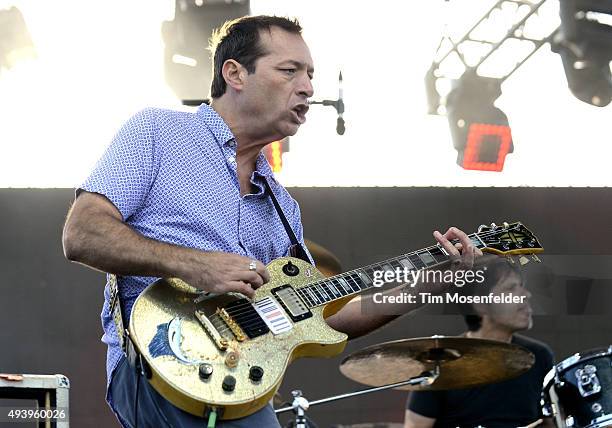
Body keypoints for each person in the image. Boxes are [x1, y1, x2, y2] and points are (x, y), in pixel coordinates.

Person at [62, 15, 480, 428]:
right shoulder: (158, 132)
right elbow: (82, 234)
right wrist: (194, 264)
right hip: (160, 367)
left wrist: (432, 284)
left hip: (241, 388)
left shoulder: (283, 209)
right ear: (235, 73)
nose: (309, 88)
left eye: (310, 75)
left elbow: (327, 319)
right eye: (290, 71)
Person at [404, 257, 555, 428]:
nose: (526, 295)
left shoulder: (540, 356)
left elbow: (552, 422)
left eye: (521, 286)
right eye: (510, 288)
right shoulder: (441, 360)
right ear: (480, 304)